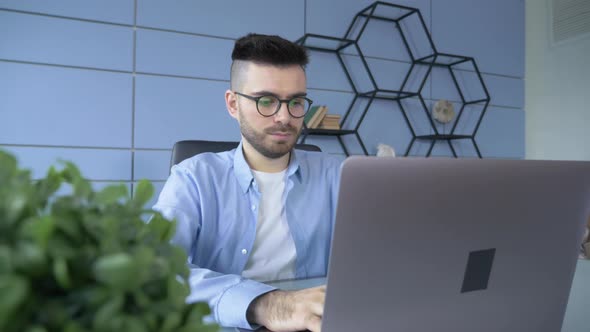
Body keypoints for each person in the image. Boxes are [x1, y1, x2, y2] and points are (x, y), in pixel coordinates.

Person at [153, 33, 342, 332]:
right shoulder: (193, 177)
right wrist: (264, 304)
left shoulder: (339, 174)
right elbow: (155, 268)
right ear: (232, 104)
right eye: (266, 101)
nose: (284, 116)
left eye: (296, 101)